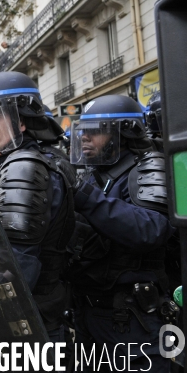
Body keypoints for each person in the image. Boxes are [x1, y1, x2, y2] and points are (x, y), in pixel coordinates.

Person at [0, 72, 75, 361]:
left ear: (21, 121)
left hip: (28, 329)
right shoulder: (0, 165)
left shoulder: (23, 169)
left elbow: (13, 272)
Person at [67, 95, 175, 371]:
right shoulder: (94, 174)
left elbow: (151, 230)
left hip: (131, 319)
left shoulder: (147, 166)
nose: (86, 138)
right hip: (88, 314)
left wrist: (87, 198)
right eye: (83, 131)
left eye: (96, 131)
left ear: (123, 133)